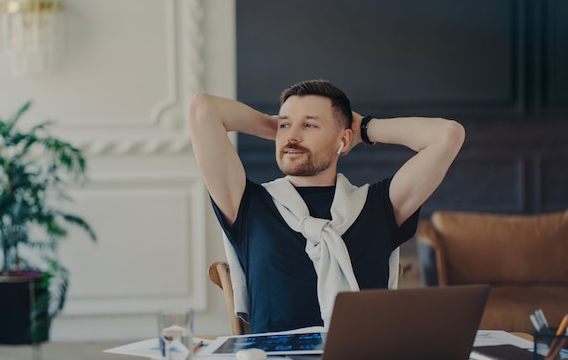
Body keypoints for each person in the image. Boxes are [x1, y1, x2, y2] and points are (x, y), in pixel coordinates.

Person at [188, 79, 465, 333]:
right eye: (285, 126)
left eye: (309, 125)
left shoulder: (379, 205)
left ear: (343, 140)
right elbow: (203, 108)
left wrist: (365, 129)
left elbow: (448, 135)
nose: (291, 137)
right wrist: (277, 127)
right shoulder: (247, 203)